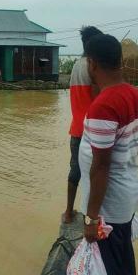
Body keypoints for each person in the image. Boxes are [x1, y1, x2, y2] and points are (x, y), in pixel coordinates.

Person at [79, 33, 138, 275]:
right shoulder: (134, 94)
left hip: (110, 202)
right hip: (127, 193)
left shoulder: (104, 105)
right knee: (124, 256)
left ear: (92, 63)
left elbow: (101, 166)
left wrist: (92, 217)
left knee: (111, 272)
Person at [63, 26, 102, 224]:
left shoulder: (77, 65)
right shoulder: (93, 66)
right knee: (96, 172)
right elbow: (98, 98)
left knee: (75, 171)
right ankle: (92, 217)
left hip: (76, 128)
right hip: (93, 130)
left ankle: (68, 212)